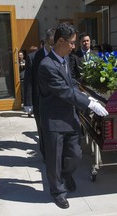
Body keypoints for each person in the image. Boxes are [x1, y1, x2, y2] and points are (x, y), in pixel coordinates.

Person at [37, 22, 109, 209]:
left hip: (70, 117)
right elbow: (64, 91)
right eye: (71, 42)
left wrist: (88, 94)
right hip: (54, 120)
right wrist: (89, 103)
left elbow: (71, 85)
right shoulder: (46, 65)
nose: (73, 46)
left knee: (75, 155)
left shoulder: (66, 59)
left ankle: (65, 174)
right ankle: (58, 192)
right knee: (54, 160)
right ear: (60, 41)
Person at [32, 27, 56, 161]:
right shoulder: (36, 56)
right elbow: (31, 80)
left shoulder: (61, 54)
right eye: (52, 44)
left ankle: (55, 154)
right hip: (40, 100)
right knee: (42, 129)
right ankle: (46, 156)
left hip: (55, 99)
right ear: (46, 42)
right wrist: (29, 102)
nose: (54, 47)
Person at [23, 45, 38, 117]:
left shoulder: (30, 56)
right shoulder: (41, 55)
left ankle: (30, 111)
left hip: (31, 79)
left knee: (29, 95)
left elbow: (28, 71)